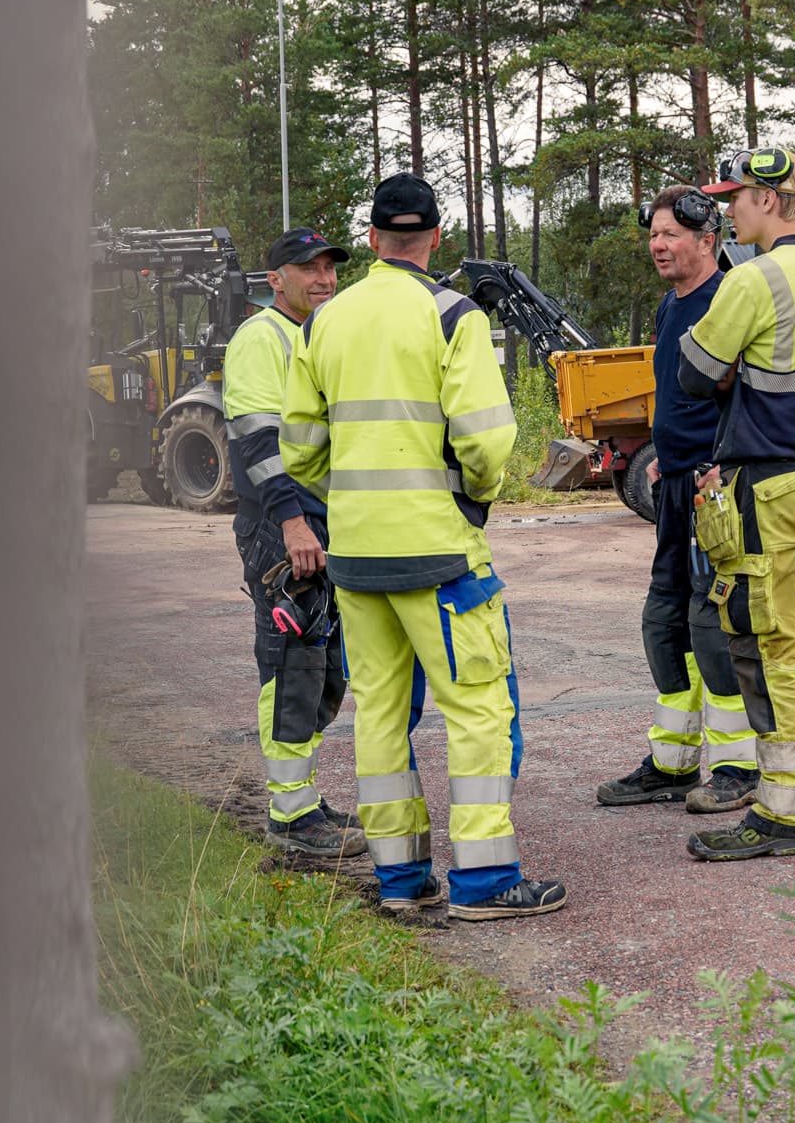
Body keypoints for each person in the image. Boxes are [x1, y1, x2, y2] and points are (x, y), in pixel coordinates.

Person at [279, 173, 566, 921]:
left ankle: (401, 882)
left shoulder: (322, 323)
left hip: (356, 556)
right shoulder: (452, 314)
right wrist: (472, 494)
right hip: (439, 553)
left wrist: (349, 495)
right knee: (476, 711)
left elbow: (300, 448)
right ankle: (485, 883)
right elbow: (487, 438)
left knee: (378, 714)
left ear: (371, 240)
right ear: (437, 237)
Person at [677, 148, 795, 860]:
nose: (728, 212)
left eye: (737, 200)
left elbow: (694, 373)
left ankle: (780, 814)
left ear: (771, 201)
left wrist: (725, 373)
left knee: (767, 643)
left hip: (764, 488)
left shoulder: (753, 279)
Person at [596, 185, 756, 812]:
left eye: (671, 235)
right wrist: (667, 452)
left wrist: (718, 463)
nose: (658, 245)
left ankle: (740, 768)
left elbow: (747, 396)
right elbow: (679, 391)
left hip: (714, 493)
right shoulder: (671, 306)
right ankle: (673, 763)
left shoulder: (728, 300)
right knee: (663, 624)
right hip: (675, 488)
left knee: (711, 625)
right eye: (654, 235)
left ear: (708, 240)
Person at [222, 226, 366, 859]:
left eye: (330, 268)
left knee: (323, 666)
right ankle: (290, 816)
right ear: (275, 279)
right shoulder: (262, 338)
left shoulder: (319, 334)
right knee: (291, 661)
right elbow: (255, 440)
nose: (324, 278)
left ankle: (303, 796)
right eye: (309, 268)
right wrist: (292, 522)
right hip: (282, 529)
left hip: (319, 523)